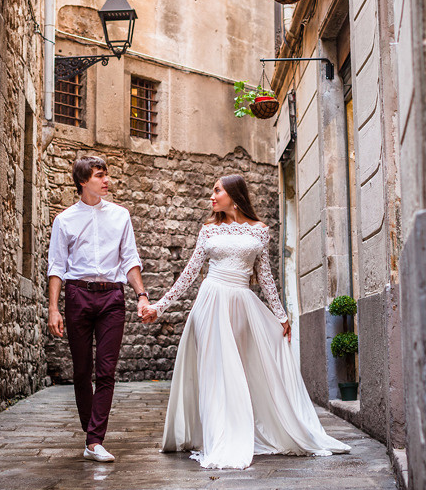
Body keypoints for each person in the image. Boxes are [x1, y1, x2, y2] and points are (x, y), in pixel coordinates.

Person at [145, 174, 350, 469]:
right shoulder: (208, 230)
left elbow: (265, 277)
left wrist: (280, 315)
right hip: (210, 302)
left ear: (233, 195)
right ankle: (218, 438)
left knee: (236, 370)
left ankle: (238, 431)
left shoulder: (259, 231)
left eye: (217, 190)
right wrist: (160, 306)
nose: (212, 196)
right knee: (214, 371)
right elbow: (189, 274)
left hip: (241, 305)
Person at [47, 155, 152, 463]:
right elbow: (57, 266)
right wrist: (54, 308)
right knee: (82, 370)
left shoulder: (120, 216)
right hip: (77, 295)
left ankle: (94, 440)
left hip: (111, 299)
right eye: (99, 175)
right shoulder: (64, 220)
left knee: (106, 371)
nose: (106, 180)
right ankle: (90, 432)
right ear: (83, 182)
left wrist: (141, 295)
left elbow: (130, 259)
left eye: (106, 174)